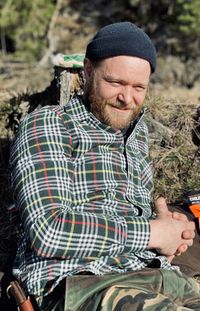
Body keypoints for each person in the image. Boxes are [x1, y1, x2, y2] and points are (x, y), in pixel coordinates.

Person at [10, 22, 200, 310]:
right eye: (116, 83)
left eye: (138, 87)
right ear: (87, 72)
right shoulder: (51, 124)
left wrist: (169, 232)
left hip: (153, 273)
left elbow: (128, 215)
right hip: (81, 282)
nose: (127, 98)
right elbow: (48, 231)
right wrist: (151, 233)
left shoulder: (135, 135)